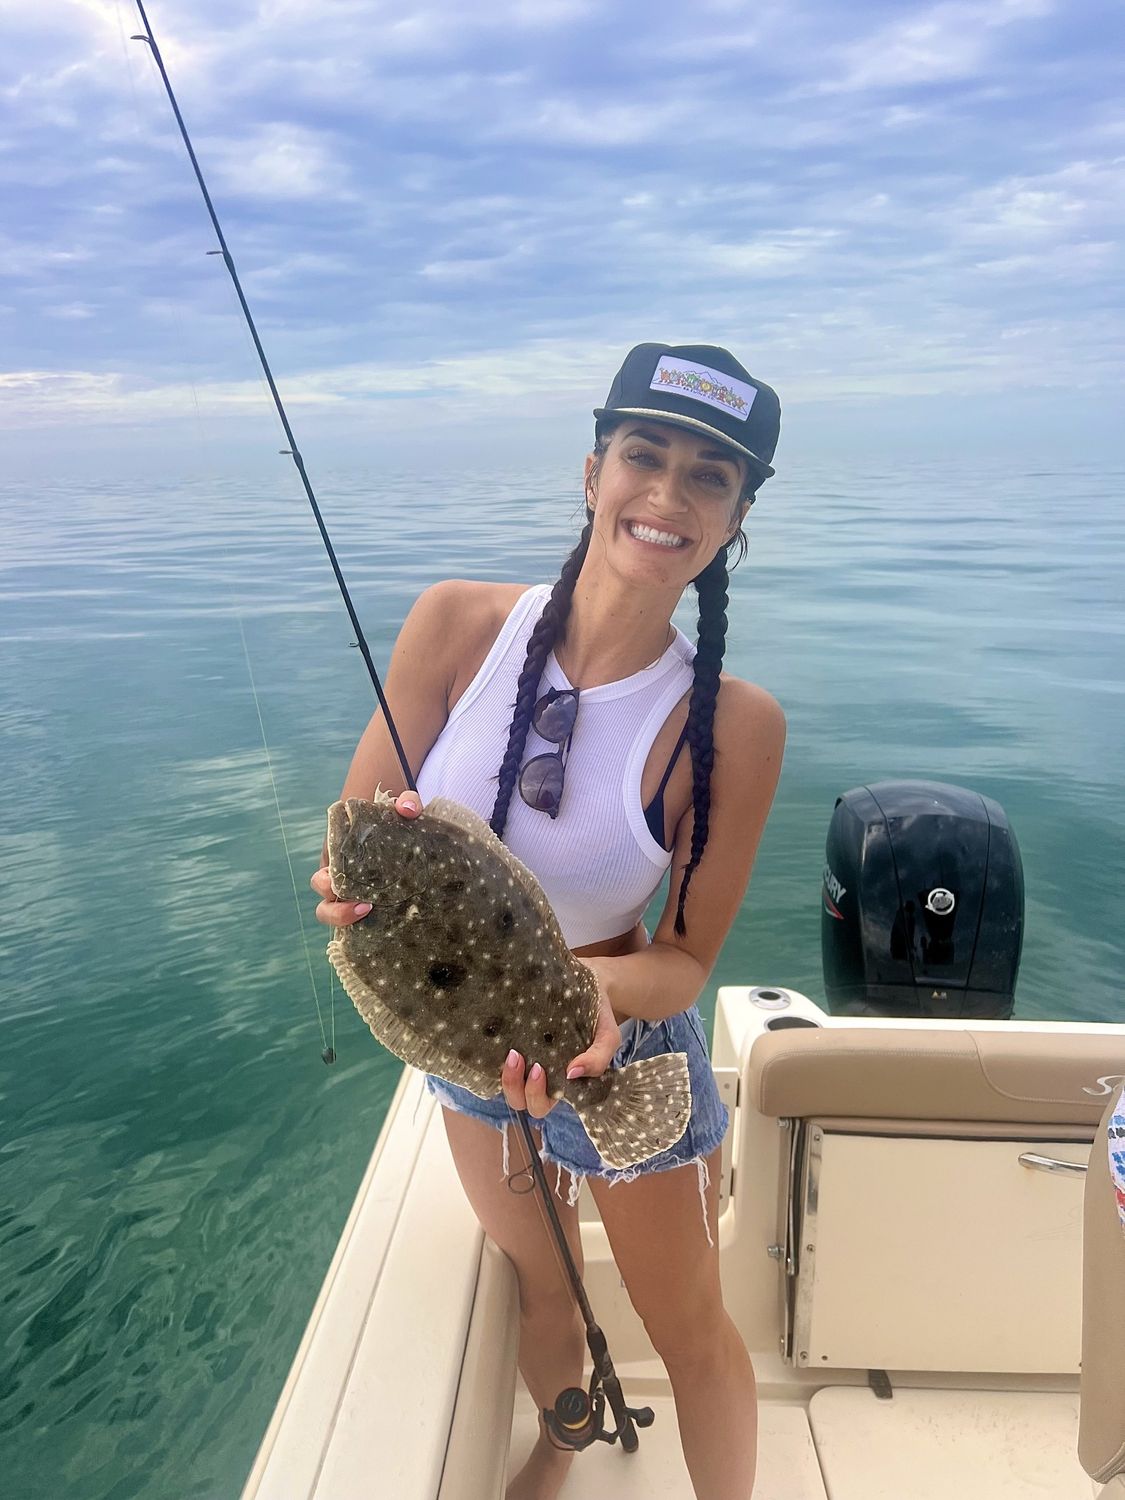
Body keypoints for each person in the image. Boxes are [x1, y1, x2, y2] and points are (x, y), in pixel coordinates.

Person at [311, 342, 786, 1500]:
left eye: (709, 478)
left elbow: (681, 962)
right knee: (539, 1279)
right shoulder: (455, 626)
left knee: (692, 1329)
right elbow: (353, 839)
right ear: (591, 471)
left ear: (735, 521)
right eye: (644, 454)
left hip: (622, 1055)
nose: (668, 495)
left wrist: (597, 1006)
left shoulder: (731, 724)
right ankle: (564, 1438)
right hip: (474, 1054)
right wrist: (342, 901)